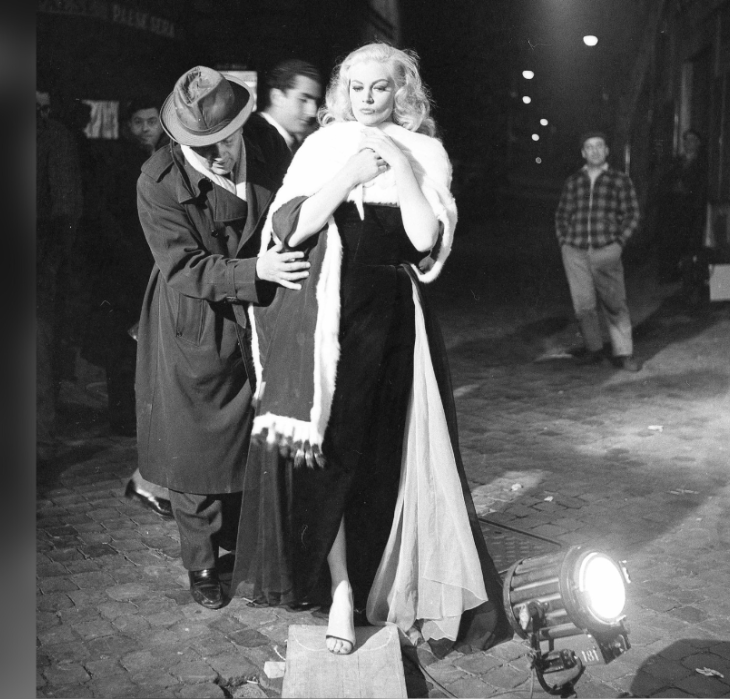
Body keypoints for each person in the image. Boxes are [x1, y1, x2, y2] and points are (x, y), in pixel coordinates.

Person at [233, 42, 511, 657]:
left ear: (401, 92)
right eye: (355, 87)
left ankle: (381, 581)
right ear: (342, 92)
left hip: (393, 320)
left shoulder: (428, 151)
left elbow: (423, 241)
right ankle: (338, 590)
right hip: (328, 317)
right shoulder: (323, 145)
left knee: (386, 452)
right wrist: (349, 175)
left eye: (379, 88)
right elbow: (290, 227)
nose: (365, 98)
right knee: (331, 455)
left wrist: (399, 165)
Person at [135, 66, 310, 609]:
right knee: (195, 452)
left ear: (241, 126)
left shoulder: (264, 148)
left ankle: (243, 541)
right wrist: (257, 270)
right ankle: (203, 563)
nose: (216, 153)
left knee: (251, 438)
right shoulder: (156, 182)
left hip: (260, 312)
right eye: (199, 144)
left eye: (224, 139)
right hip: (196, 323)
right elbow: (183, 267)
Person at [82, 94, 173, 517]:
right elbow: (105, 216)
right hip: (128, 265)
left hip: (156, 261)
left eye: (149, 120)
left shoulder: (172, 155)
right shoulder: (118, 163)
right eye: (136, 122)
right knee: (126, 344)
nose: (143, 129)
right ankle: (127, 418)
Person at [555, 131, 643, 372]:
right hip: (575, 251)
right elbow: (562, 213)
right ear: (583, 152)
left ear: (606, 151)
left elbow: (633, 214)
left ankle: (624, 353)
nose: (594, 151)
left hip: (606, 250)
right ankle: (594, 349)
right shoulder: (574, 181)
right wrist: (564, 240)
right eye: (589, 147)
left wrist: (619, 242)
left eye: (599, 146)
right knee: (583, 305)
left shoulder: (619, 180)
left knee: (615, 303)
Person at [36, 88, 83, 462]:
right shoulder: (52, 137)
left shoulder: (54, 138)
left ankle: (39, 441)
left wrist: (49, 262)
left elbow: (67, 209)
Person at [656, 129, 708, 284]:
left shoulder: (702, 163)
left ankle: (687, 279)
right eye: (685, 140)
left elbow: (701, 187)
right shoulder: (676, 162)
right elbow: (665, 182)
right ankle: (669, 275)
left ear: (698, 143)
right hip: (673, 209)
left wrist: (688, 190)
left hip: (690, 209)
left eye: (692, 140)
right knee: (670, 242)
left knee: (688, 244)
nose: (687, 143)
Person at [255, 58, 324, 154]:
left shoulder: (289, 141)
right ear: (277, 97)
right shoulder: (254, 142)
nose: (312, 112)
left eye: (315, 102)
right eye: (303, 100)